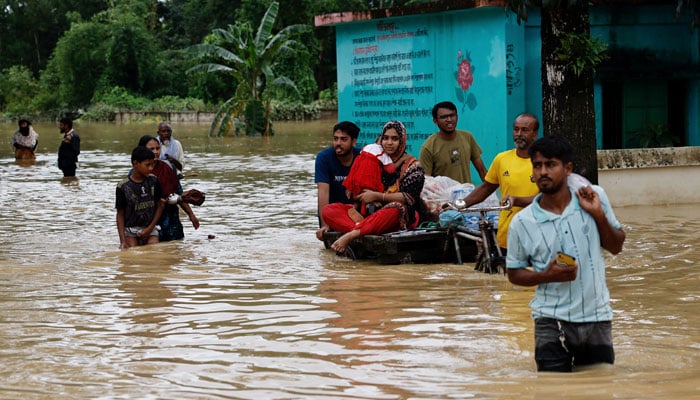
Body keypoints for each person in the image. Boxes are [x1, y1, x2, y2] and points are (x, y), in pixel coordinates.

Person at [506, 134, 626, 373]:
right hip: (549, 319)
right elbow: (514, 274)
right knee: (552, 389)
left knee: (598, 388)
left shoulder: (594, 197)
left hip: (596, 317)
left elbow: (616, 246)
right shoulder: (522, 222)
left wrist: (598, 215)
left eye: (550, 164)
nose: (542, 172)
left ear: (567, 168)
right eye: (537, 165)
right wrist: (546, 275)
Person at [322, 120, 425, 253]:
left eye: (394, 139)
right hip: (369, 216)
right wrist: (358, 193)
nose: (389, 143)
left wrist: (377, 196)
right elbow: (358, 190)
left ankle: (352, 234)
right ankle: (362, 228)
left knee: (396, 208)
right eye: (385, 138)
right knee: (329, 210)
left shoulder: (413, 166)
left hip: (398, 217)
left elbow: (409, 198)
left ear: (402, 141)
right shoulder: (374, 161)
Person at [460, 113, 540, 253]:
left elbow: (549, 199)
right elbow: (486, 188)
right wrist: (460, 204)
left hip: (538, 237)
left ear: (535, 134)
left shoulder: (543, 162)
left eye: (525, 130)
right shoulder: (502, 159)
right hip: (507, 236)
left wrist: (517, 200)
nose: (519, 134)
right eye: (516, 129)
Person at [138, 135, 200, 241]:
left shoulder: (168, 167)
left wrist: (191, 215)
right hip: (149, 222)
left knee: (174, 251)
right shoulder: (138, 172)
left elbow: (178, 193)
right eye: (151, 149)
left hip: (172, 222)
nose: (156, 152)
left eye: (158, 148)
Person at [419, 101, 487, 183]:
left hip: (468, 195)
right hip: (443, 195)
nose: (449, 120)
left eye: (452, 115)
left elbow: (482, 170)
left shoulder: (467, 137)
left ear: (457, 117)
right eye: (444, 117)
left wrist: (492, 194)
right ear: (435, 121)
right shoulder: (428, 147)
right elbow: (426, 182)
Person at [314, 121, 361, 241]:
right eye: (335, 139)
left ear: (354, 141)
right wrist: (325, 225)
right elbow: (323, 191)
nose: (338, 143)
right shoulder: (324, 157)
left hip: (355, 211)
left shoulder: (361, 157)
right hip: (331, 213)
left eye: (343, 139)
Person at [115, 146, 165, 249]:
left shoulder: (154, 181)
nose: (151, 168)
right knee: (132, 252)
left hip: (151, 228)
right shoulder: (123, 186)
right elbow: (120, 214)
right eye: (147, 165)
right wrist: (122, 241)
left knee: (154, 250)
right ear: (136, 163)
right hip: (131, 230)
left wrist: (149, 229)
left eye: (152, 165)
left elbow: (160, 205)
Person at [342, 142, 395, 215]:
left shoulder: (366, 148)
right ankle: (363, 214)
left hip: (358, 176)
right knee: (368, 197)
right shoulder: (382, 152)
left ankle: (355, 209)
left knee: (361, 195)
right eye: (385, 138)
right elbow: (391, 169)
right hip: (370, 181)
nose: (389, 142)